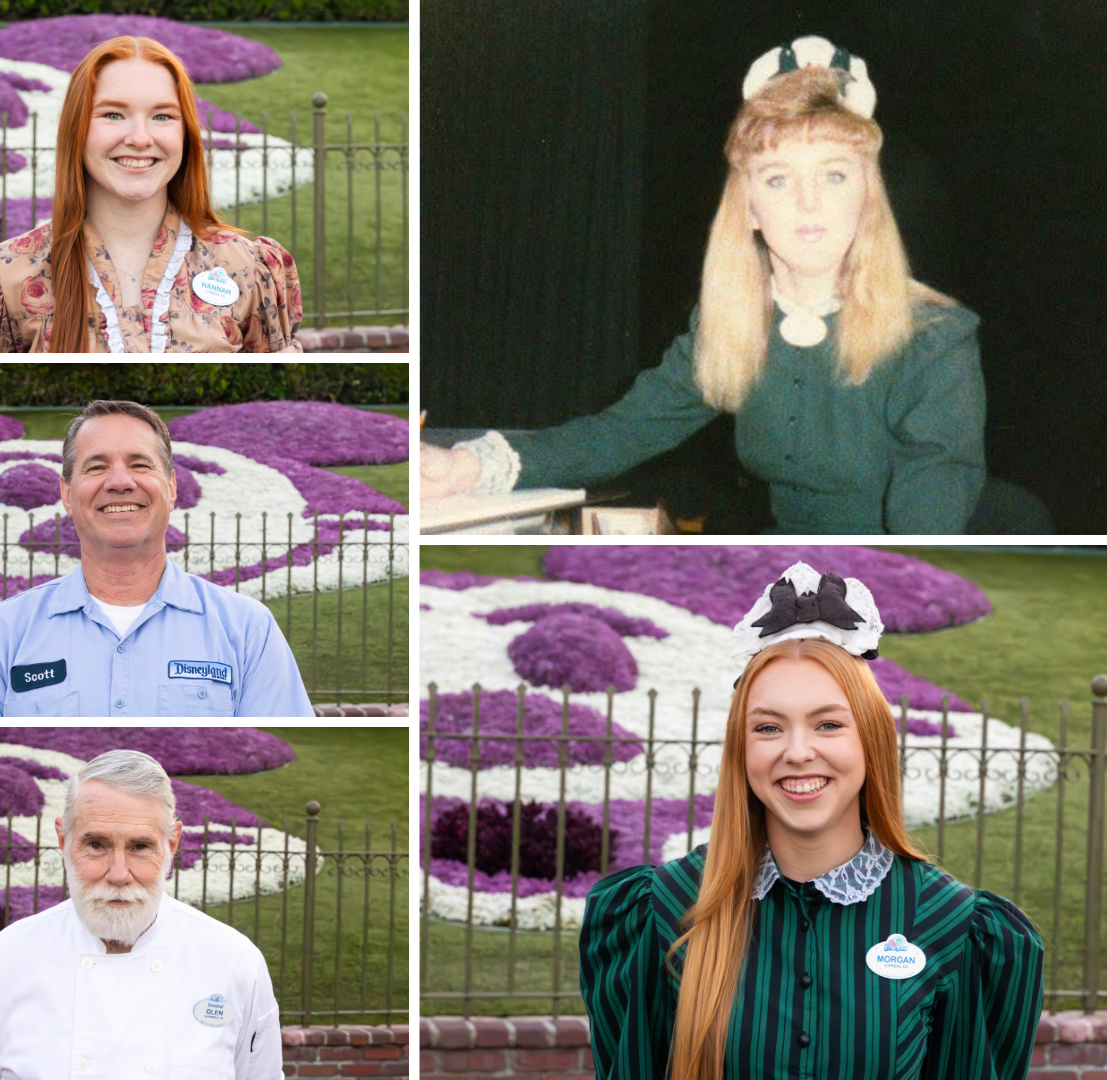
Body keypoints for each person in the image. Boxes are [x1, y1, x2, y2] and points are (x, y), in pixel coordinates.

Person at [421, 37, 985, 533]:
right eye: (778, 177)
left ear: (865, 194)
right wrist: (465, 466)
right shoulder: (733, 326)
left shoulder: (935, 340)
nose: (808, 202)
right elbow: (619, 433)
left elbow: (926, 531)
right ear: (751, 206)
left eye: (833, 174)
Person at [578, 562, 1044, 1080]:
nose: (798, 752)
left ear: (870, 738)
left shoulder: (957, 925)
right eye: (769, 727)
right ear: (742, 749)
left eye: (827, 724)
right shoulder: (661, 909)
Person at [0, 400, 313, 717]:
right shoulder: (1, 635)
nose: (119, 481)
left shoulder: (247, 631)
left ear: (171, 487)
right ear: (67, 493)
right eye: (97, 466)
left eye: (139, 464)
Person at [0, 36, 304, 352]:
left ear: (186, 134)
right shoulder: (7, 275)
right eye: (114, 114)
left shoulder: (247, 267)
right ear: (78, 129)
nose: (139, 137)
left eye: (163, 117)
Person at [0, 750, 282, 1079]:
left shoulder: (236, 964)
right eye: (96, 844)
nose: (119, 873)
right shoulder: (3, 961)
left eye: (140, 847)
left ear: (172, 844)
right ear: (63, 840)